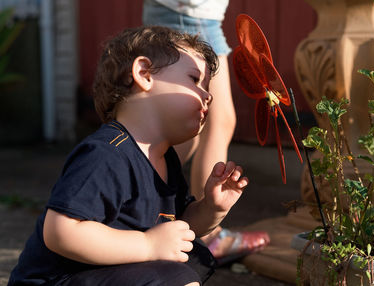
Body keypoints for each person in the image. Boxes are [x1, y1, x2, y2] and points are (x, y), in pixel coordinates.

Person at [8, 26, 249, 285]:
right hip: (59, 279)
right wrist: (147, 244)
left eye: (207, 87)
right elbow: (60, 232)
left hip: (100, 274)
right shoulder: (107, 153)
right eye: (194, 79)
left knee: (192, 257)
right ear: (144, 74)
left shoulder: (165, 160)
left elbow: (180, 227)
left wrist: (211, 208)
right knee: (174, 276)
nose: (208, 96)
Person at [142, 0, 270, 264]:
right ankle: (208, 236)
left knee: (188, 127)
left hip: (183, 13)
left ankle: (139, 207)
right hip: (189, 14)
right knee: (217, 121)